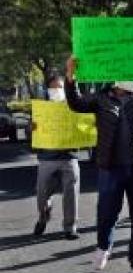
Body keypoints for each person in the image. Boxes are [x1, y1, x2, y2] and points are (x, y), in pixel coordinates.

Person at [64, 54, 133, 273]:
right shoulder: (100, 99)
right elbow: (75, 103)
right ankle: (103, 246)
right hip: (110, 167)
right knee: (107, 212)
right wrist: (70, 76)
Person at [33, 75, 80, 240]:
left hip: (69, 156)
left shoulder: (74, 107)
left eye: (60, 87)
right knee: (42, 194)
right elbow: (32, 133)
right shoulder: (41, 109)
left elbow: (83, 127)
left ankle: (70, 227)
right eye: (53, 88)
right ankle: (43, 217)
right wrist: (32, 129)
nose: (57, 91)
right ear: (47, 90)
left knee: (71, 193)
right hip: (47, 158)